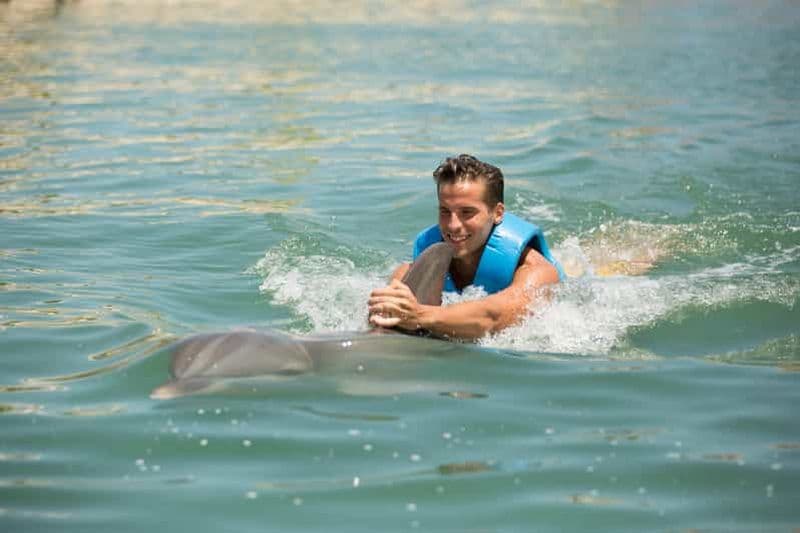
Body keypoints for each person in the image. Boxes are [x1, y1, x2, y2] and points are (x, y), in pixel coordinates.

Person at [368, 154, 563, 340]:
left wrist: (420, 316)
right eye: (445, 211)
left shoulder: (538, 271)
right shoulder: (411, 270)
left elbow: (495, 317)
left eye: (467, 212)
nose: (453, 225)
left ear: (497, 213)